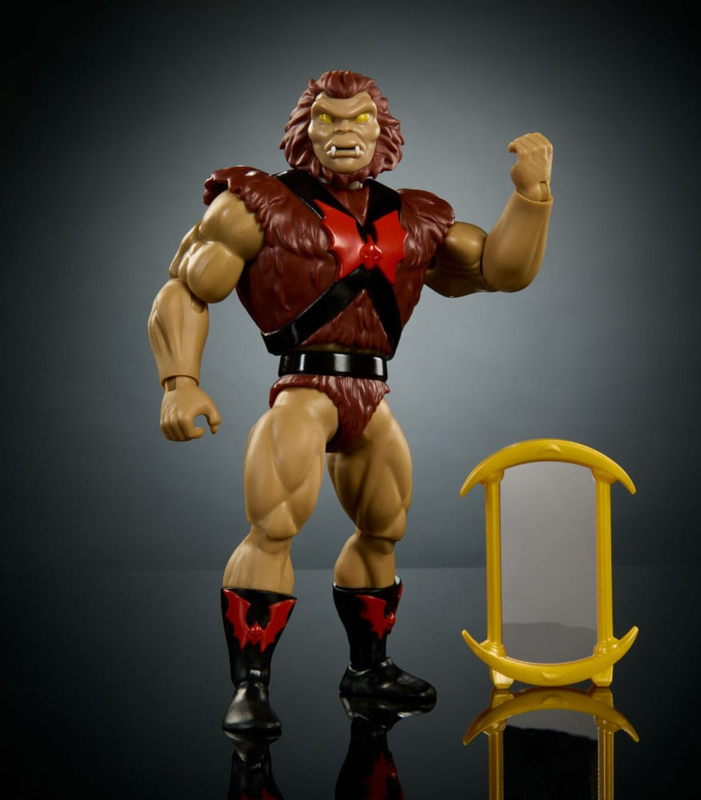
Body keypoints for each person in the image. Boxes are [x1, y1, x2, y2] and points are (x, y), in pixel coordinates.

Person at [148, 69, 553, 735]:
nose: (343, 132)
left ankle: (370, 671)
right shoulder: (258, 205)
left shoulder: (413, 216)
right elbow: (184, 288)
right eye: (327, 119)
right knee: (273, 526)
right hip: (304, 389)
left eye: (358, 118)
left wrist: (531, 198)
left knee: (384, 527)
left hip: (371, 391)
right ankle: (250, 687)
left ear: (382, 131)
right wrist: (179, 382)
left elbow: (497, 270)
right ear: (303, 133)